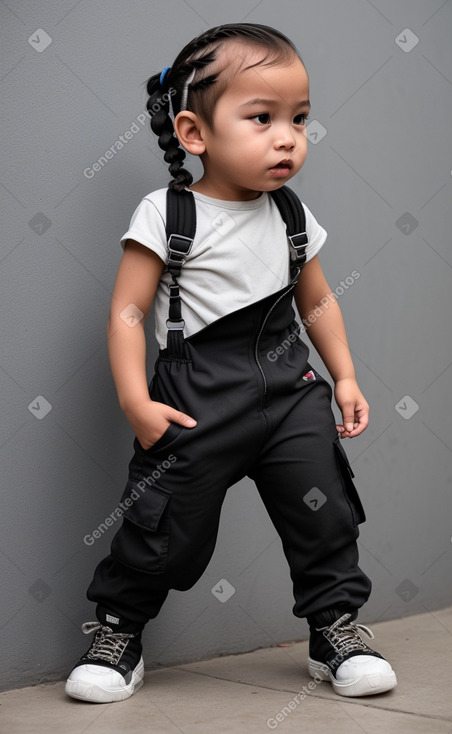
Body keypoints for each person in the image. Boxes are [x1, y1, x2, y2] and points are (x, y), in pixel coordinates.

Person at [65, 22, 397, 704]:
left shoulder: (292, 215)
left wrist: (344, 376)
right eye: (261, 118)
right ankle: (118, 631)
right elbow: (126, 313)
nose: (287, 137)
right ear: (193, 132)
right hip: (195, 397)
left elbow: (318, 303)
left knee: (323, 509)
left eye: (299, 119)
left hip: (289, 394)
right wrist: (135, 399)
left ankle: (334, 627)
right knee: (161, 524)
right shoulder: (168, 213)